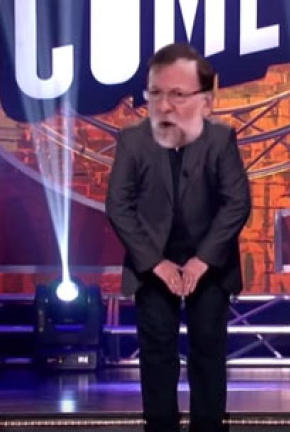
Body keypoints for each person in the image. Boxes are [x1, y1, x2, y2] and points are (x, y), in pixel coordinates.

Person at [106, 43, 251, 432]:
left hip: (210, 261)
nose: (165, 104)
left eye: (177, 94)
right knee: (156, 351)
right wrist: (156, 263)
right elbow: (118, 206)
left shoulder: (220, 139)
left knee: (208, 348)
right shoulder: (133, 141)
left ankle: (208, 426)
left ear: (204, 100)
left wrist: (203, 261)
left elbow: (236, 203)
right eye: (156, 93)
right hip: (153, 260)